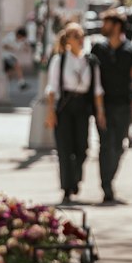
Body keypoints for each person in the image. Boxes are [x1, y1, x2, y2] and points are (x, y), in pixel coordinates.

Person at [45, 21, 104, 206]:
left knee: (82, 148)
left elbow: (97, 89)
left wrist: (100, 112)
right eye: (76, 36)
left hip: (82, 107)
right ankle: (66, 187)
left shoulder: (90, 60)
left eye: (82, 35)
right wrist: (50, 112)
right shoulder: (60, 60)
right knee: (64, 148)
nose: (80, 39)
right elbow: (52, 88)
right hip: (64, 107)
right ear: (68, 39)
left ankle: (76, 178)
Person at [91, 9, 132, 204]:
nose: (103, 27)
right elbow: (93, 81)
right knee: (105, 145)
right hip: (103, 105)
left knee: (119, 146)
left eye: (106, 23)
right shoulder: (98, 50)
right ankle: (106, 186)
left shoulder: (130, 50)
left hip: (124, 105)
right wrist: (98, 109)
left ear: (116, 26)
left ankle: (109, 178)